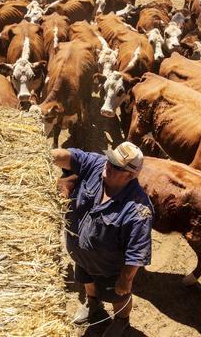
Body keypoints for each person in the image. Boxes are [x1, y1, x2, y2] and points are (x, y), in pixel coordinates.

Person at [51, 142, 154, 337]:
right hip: (81, 254)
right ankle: (92, 303)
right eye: (110, 159)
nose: (108, 165)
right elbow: (70, 157)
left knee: (118, 295)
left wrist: (125, 280)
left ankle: (122, 320)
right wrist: (43, 155)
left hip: (110, 268)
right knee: (86, 278)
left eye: (116, 166)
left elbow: (136, 253)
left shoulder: (138, 210)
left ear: (130, 175)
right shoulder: (97, 165)